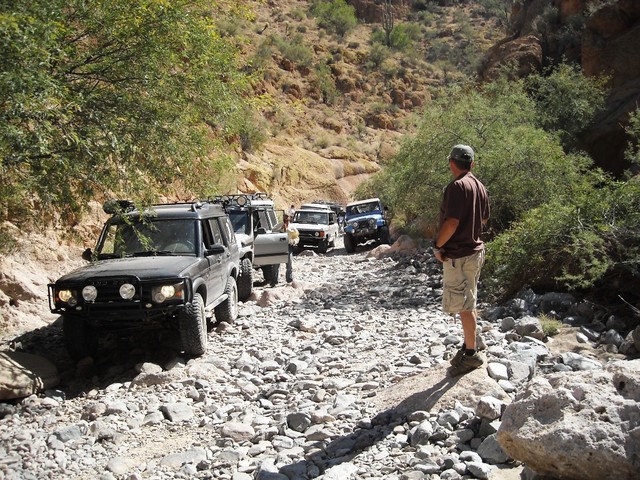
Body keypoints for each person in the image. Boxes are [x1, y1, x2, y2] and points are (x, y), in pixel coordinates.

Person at [433, 144, 490, 376]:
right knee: (469, 300)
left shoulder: (456, 187)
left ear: (451, 162)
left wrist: (438, 245)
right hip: (475, 252)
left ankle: (471, 354)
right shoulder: (479, 186)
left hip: (460, 255)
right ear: (472, 164)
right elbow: (484, 219)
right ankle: (470, 345)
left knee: (464, 305)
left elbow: (452, 223)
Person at [271, 213, 299, 286]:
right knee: (276, 264)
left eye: (287, 217)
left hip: (288, 246)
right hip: (279, 246)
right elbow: (272, 231)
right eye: (284, 217)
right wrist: (281, 228)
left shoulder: (292, 227)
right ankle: (274, 281)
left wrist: (294, 241)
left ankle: (289, 280)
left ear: (289, 218)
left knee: (289, 264)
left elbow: (296, 237)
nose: (286, 219)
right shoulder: (278, 225)